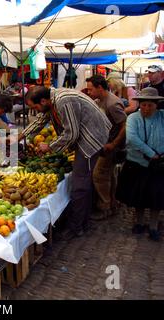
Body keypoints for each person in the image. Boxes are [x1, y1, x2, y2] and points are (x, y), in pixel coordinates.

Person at [22, 86, 111, 240]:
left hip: (91, 138)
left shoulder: (63, 100)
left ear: (43, 101)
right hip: (85, 135)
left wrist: (50, 146)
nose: (35, 110)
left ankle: (76, 227)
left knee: (80, 184)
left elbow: (72, 133)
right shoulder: (51, 101)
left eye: (35, 107)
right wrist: (20, 135)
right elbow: (41, 120)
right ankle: (83, 221)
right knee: (83, 180)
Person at [116, 87, 164, 241]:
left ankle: (154, 226)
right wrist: (152, 154)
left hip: (159, 165)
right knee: (139, 196)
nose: (146, 108)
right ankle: (139, 222)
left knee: (157, 197)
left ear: (157, 105)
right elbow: (132, 139)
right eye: (143, 105)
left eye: (150, 105)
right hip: (138, 163)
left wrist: (160, 155)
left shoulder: (162, 117)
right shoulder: (133, 118)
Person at [86, 75, 127, 220]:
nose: (89, 92)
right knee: (109, 174)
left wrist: (114, 144)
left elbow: (124, 125)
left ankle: (106, 206)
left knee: (98, 175)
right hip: (103, 144)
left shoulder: (112, 103)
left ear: (100, 88)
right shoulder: (100, 100)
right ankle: (113, 203)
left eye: (91, 89)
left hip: (111, 146)